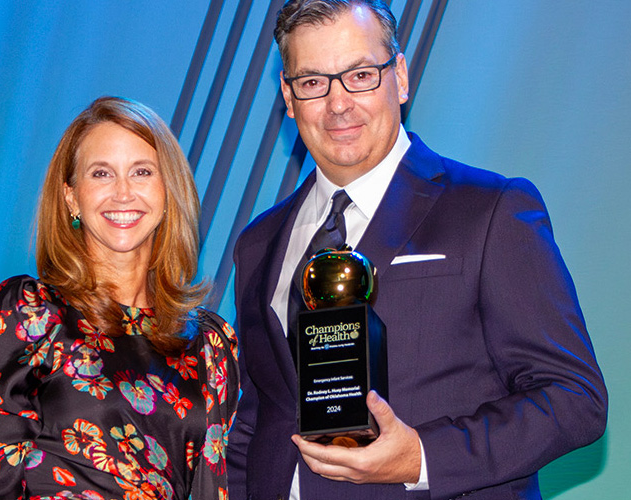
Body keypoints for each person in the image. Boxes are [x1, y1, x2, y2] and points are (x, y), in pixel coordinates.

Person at [227, 1, 607, 499]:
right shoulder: (258, 242)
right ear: (289, 95)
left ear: (399, 77)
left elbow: (574, 400)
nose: (338, 103)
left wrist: (423, 456)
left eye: (360, 74)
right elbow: (254, 424)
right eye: (313, 81)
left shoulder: (491, 211)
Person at [0, 96, 239, 499]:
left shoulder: (209, 344)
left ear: (168, 190)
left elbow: (214, 487)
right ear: (71, 197)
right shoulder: (30, 313)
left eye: (141, 172)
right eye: (102, 173)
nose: (123, 193)